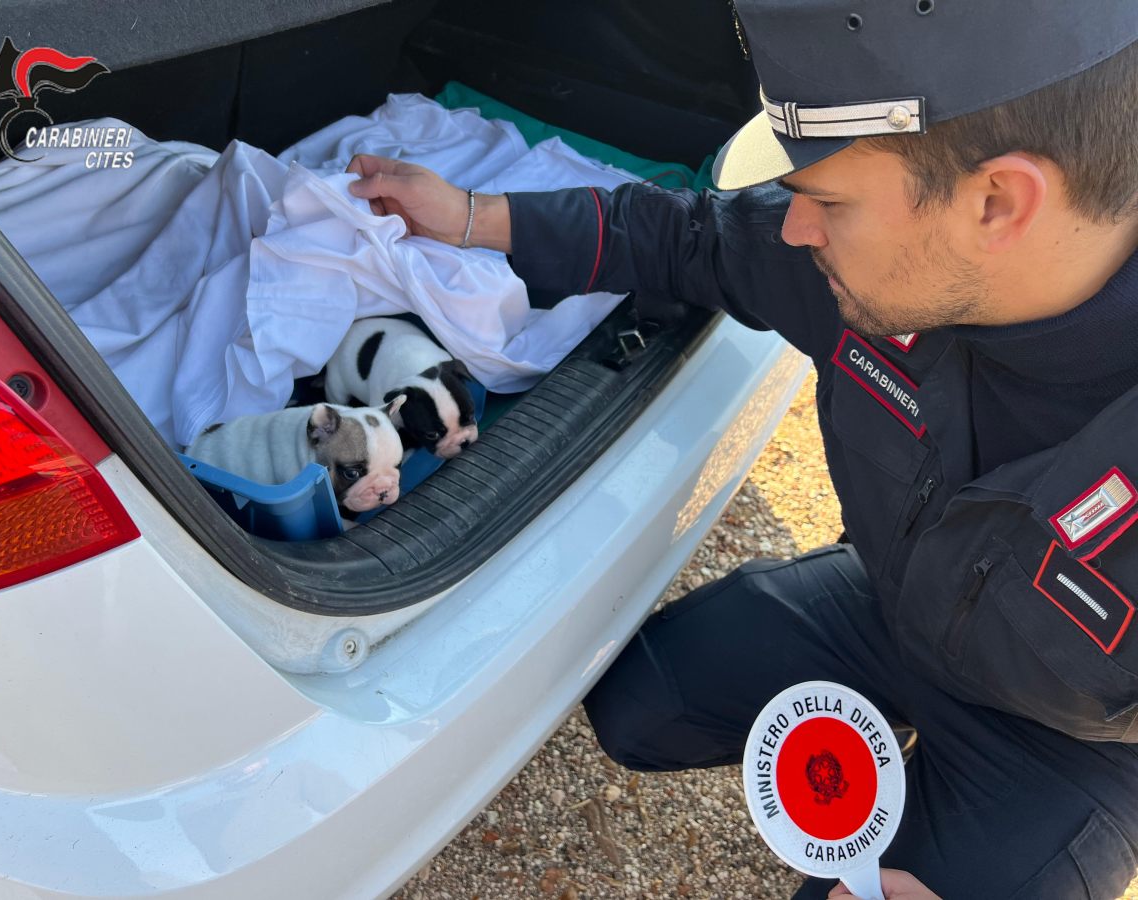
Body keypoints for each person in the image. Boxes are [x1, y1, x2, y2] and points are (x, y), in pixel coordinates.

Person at [345, 1, 1138, 895]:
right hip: (895, 611)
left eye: (828, 203)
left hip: (1063, 746)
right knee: (642, 703)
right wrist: (470, 216)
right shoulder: (900, 252)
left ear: (996, 204)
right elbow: (691, 235)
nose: (796, 230)